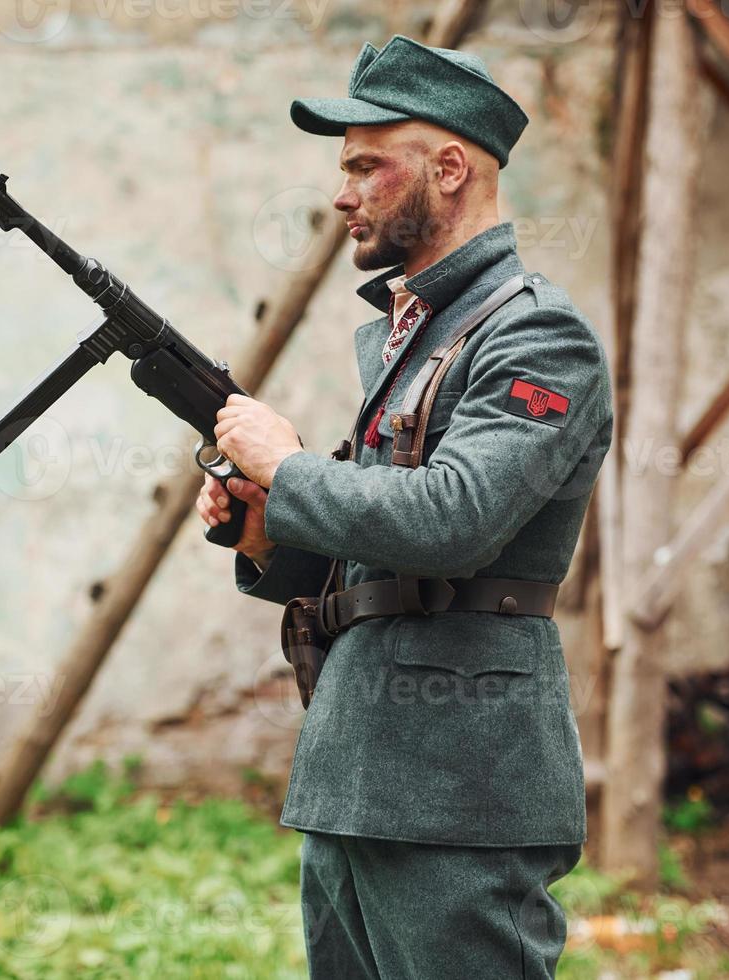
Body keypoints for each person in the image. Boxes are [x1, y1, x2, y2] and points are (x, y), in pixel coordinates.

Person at [194, 34, 614, 979]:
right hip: (356, 776)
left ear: (451, 168)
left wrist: (291, 467)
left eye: (365, 167)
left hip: (462, 789)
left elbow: (454, 521)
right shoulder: (414, 336)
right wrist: (270, 533)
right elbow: (386, 561)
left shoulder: (536, 334)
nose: (343, 194)